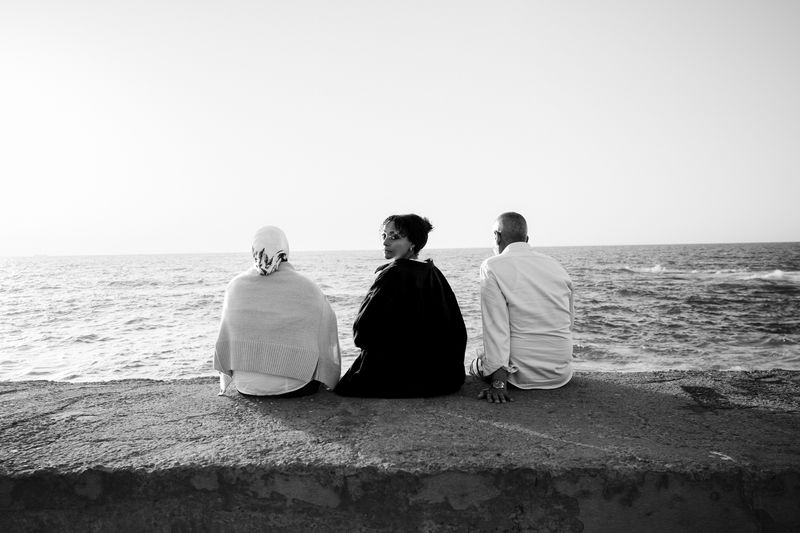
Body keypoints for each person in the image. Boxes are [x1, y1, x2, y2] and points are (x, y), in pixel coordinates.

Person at [334, 214, 467, 397]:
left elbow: (362, 333)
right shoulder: (432, 272)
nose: (385, 242)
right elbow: (456, 329)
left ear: (413, 243)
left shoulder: (393, 275)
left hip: (397, 380)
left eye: (394, 237)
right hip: (441, 379)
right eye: (384, 235)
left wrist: (389, 273)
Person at [214, 226, 341, 397]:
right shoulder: (307, 288)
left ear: (253, 250)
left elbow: (226, 334)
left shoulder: (235, 287)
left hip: (246, 386)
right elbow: (327, 331)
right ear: (285, 249)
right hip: (294, 386)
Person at [471, 212, 574, 403]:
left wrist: (499, 383)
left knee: (476, 363)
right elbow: (569, 321)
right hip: (561, 372)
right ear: (526, 239)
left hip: (520, 375)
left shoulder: (491, 266)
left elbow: (496, 327)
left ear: (497, 236)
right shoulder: (555, 266)